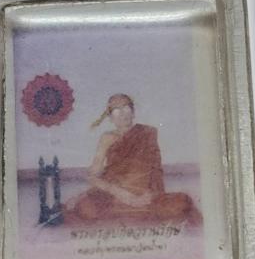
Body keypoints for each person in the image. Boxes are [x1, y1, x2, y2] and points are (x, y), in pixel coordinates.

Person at [64, 94, 202, 225]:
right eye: (117, 110)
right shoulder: (107, 138)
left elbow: (155, 172)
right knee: (86, 209)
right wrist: (124, 195)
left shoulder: (147, 133)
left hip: (143, 196)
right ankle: (133, 211)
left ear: (133, 112)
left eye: (126, 108)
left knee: (183, 202)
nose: (123, 113)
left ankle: (134, 210)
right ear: (110, 118)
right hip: (115, 194)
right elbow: (93, 177)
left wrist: (148, 195)